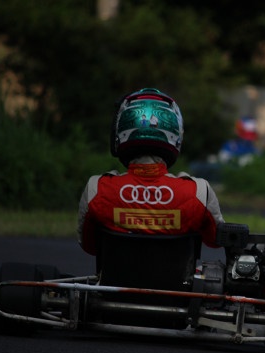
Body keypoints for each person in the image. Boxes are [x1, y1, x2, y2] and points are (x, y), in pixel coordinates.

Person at [78, 88, 224, 255]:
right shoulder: (198, 192)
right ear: (174, 133)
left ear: (122, 130)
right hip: (175, 273)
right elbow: (215, 240)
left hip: (115, 272)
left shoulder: (97, 189)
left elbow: (89, 246)